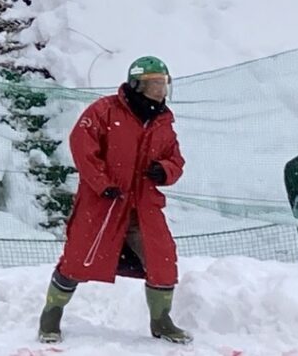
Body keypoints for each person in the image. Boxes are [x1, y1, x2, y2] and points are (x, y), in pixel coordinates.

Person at [37, 56, 190, 345]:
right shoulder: (104, 111)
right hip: (103, 203)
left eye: (164, 84)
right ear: (136, 84)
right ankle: (52, 313)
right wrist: (102, 183)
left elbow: (176, 159)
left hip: (144, 206)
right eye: (154, 84)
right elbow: (82, 145)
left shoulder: (164, 121)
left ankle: (161, 320)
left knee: (162, 258)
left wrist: (165, 170)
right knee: (76, 260)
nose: (161, 90)